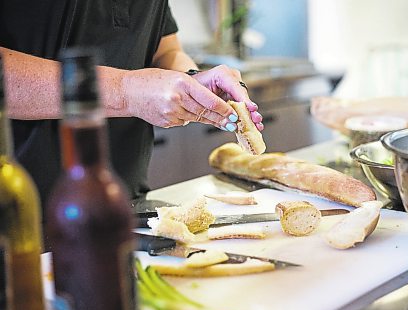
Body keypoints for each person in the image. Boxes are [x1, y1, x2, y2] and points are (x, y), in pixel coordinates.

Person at [0, 0, 263, 210]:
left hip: (126, 199)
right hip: (20, 209)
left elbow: (165, 51)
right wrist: (127, 91)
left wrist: (192, 82)